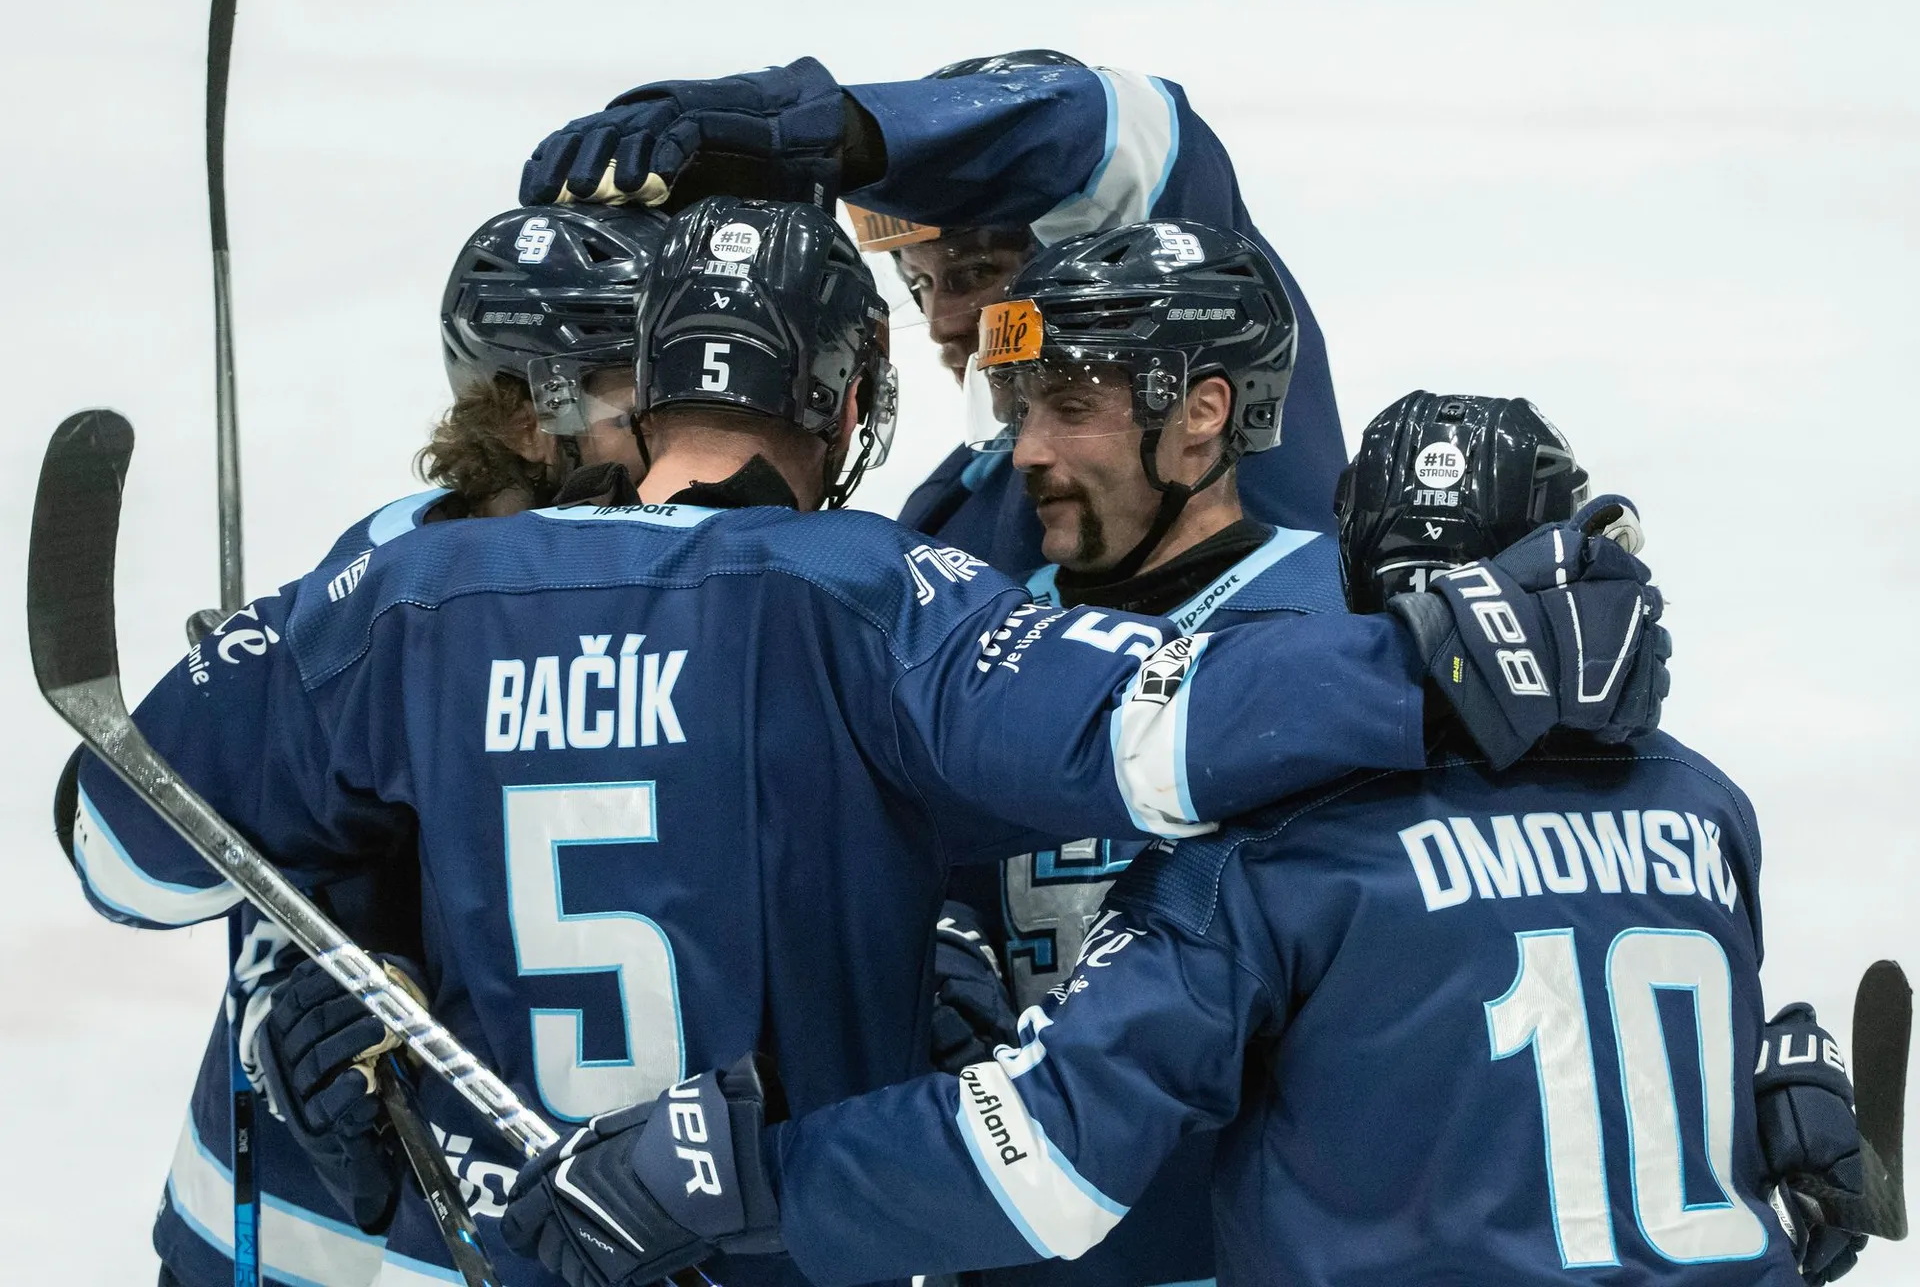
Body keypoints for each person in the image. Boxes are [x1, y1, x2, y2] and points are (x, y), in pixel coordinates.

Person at [65, 199, 1665, 1287]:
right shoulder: (866, 592)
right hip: (777, 1239)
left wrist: (339, 909)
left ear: (640, 392)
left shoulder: (406, 584)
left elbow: (124, 853)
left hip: (462, 1244)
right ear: (843, 408)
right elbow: (1155, 733)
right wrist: (1445, 660)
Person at [502, 393, 1856, 1287]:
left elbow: (1050, 1159)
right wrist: (1772, 1134)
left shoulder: (1271, 852)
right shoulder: (1702, 809)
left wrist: (749, 1180)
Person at [56, 201, 669, 1287]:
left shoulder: (672, 582)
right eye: (645, 398)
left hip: (518, 1231)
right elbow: (120, 856)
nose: (689, 425)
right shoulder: (378, 600)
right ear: (531, 418)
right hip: (287, 1237)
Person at [926, 213, 1348, 1286]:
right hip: (1026, 1244)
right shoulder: (964, 630)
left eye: (1072, 407)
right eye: (1021, 406)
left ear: (1203, 412)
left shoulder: (1345, 619)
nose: (1029, 451)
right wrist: (928, 944)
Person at [515, 51, 1348, 570]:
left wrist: (819, 130)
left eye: (977, 272)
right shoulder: (952, 508)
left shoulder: (1218, 378)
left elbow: (1127, 127)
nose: (948, 322)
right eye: (921, 285)